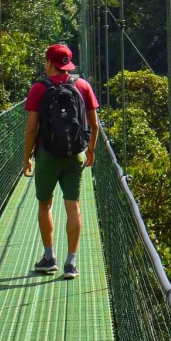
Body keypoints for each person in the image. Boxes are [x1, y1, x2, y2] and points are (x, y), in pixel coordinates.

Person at [23, 43, 99, 280]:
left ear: (49, 63)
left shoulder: (38, 88)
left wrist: (26, 158)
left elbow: (31, 129)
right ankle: (71, 263)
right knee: (73, 206)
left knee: (45, 204)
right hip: (74, 154)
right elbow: (94, 125)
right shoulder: (83, 86)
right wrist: (90, 150)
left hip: (47, 154)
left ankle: (49, 258)